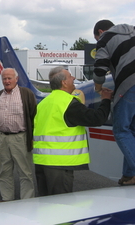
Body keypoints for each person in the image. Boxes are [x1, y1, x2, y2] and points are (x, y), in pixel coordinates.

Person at [33, 66, 113, 196]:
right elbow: (97, 119)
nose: (74, 78)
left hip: (42, 162)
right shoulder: (68, 104)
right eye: (70, 76)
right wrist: (106, 100)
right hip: (59, 165)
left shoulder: (43, 103)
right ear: (64, 82)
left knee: (45, 202)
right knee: (61, 205)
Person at [93, 19, 135, 185]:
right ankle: (129, 175)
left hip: (129, 85)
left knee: (120, 130)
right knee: (131, 130)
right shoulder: (132, 30)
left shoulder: (105, 38)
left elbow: (99, 69)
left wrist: (98, 88)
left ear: (100, 32)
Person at [0, 68, 36, 201]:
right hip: (2, 137)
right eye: (4, 78)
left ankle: (27, 201)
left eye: (9, 78)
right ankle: (7, 200)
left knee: (25, 172)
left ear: (16, 79)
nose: (7, 81)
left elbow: (34, 116)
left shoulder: (26, 94)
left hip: (20, 137)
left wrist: (32, 137)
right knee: (4, 171)